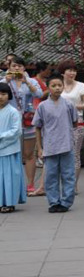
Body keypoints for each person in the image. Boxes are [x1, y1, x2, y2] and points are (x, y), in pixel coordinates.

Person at [33, 74, 78, 213]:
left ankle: (66, 202)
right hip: (50, 146)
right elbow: (38, 127)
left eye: (59, 85)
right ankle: (53, 202)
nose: (57, 88)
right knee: (50, 176)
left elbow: (74, 122)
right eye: (54, 86)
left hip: (67, 145)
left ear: (63, 86)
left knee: (68, 175)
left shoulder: (69, 105)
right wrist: (40, 148)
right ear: (48, 88)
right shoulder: (42, 106)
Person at [2, 56, 44, 195]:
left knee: (28, 154)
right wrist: (6, 80)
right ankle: (13, 184)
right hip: (10, 121)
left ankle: (30, 183)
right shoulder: (5, 81)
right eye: (14, 66)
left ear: (24, 68)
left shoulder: (30, 80)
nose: (17, 68)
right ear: (9, 67)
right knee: (12, 153)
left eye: (20, 66)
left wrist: (27, 81)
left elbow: (39, 93)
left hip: (27, 120)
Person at [58, 60, 84, 187]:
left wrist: (72, 106)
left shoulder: (81, 86)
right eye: (69, 70)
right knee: (61, 153)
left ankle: (74, 184)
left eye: (74, 70)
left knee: (75, 153)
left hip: (77, 122)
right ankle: (64, 182)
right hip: (60, 123)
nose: (72, 73)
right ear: (63, 72)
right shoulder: (58, 85)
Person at [0, 83, 25, 213]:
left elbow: (16, 131)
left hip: (9, 150)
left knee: (9, 177)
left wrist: (1, 137)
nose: (1, 97)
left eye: (4, 94)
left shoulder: (13, 112)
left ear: (9, 96)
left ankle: (9, 203)